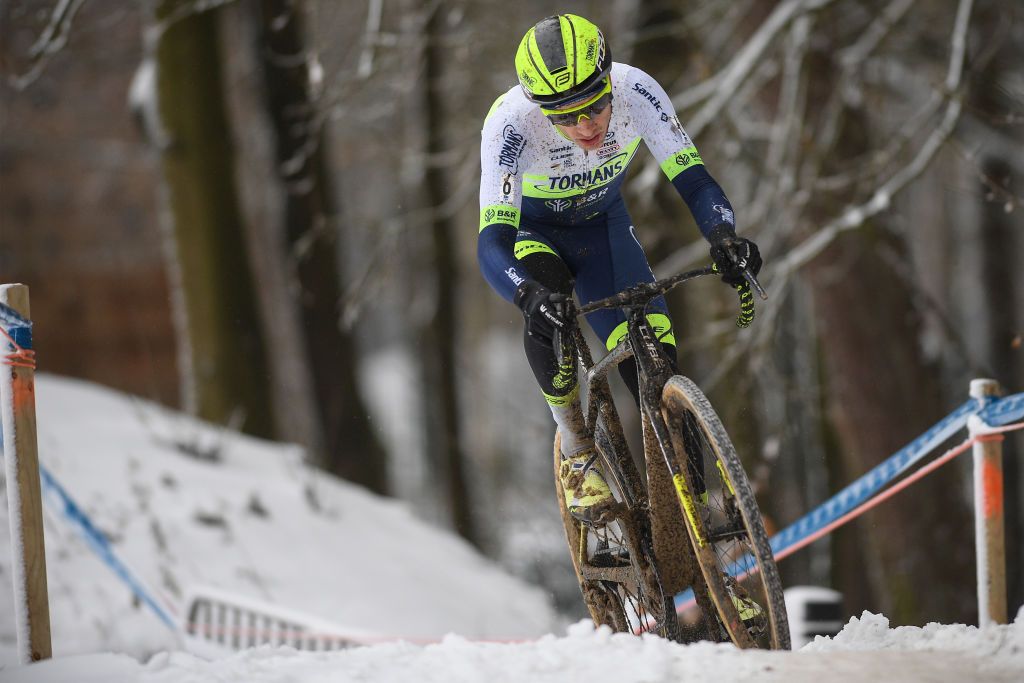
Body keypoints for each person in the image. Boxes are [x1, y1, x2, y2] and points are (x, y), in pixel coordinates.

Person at [477, 14, 761, 525]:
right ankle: (576, 445)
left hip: (604, 229)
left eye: (594, 106)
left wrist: (723, 237)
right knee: (551, 304)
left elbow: (694, 179)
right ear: (540, 109)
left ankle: (704, 542)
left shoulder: (637, 92)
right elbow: (492, 241)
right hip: (532, 234)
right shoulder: (509, 124)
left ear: (610, 83)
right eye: (565, 117)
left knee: (657, 366)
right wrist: (527, 295)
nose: (586, 126)